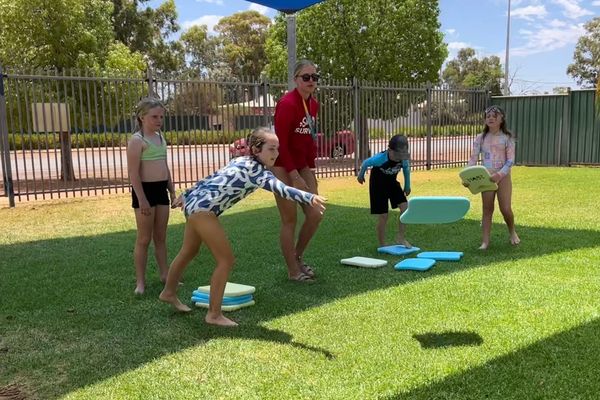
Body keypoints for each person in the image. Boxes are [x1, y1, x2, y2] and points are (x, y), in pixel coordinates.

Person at [159, 127, 327, 327]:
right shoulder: (258, 173)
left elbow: (211, 178)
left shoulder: (241, 161)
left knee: (189, 251)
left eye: (278, 149)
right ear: (256, 150)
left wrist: (186, 195)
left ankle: (168, 292)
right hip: (203, 211)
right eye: (271, 149)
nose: (276, 154)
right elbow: (282, 189)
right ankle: (213, 314)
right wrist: (309, 197)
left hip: (195, 206)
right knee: (226, 260)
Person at [271, 59, 323, 282]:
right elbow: (280, 142)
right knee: (289, 219)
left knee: (315, 212)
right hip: (282, 166)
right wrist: (293, 175)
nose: (311, 81)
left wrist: (310, 169)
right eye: (306, 77)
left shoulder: (313, 104)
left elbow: (309, 140)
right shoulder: (287, 103)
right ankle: (293, 270)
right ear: (296, 80)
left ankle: (297, 256)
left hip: (302, 165)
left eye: (314, 77)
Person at [127, 97, 176, 295]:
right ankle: (140, 282)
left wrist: (172, 190)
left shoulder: (160, 137)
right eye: (154, 117)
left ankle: (165, 275)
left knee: (161, 237)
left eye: (161, 117)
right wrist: (142, 199)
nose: (159, 120)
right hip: (144, 192)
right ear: (142, 117)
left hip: (161, 191)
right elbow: (133, 173)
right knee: (144, 239)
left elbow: (165, 167)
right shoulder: (137, 140)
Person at [467, 105, 520, 250]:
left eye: (494, 116)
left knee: (505, 208)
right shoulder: (480, 138)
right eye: (488, 116)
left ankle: (512, 232)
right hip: (486, 178)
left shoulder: (507, 138)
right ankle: (485, 242)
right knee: (487, 209)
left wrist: (499, 175)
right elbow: (473, 159)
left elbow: (510, 161)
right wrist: (467, 175)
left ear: (501, 119)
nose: (490, 118)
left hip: (503, 177)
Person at [357, 134, 412, 247]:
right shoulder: (380, 159)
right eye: (397, 155)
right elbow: (365, 163)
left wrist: (407, 186)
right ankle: (382, 244)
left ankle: (400, 238)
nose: (399, 158)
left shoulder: (403, 158)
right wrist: (361, 175)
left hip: (392, 182)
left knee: (405, 208)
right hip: (378, 185)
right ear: (390, 150)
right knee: (383, 215)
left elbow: (406, 170)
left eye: (402, 155)